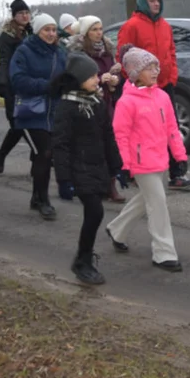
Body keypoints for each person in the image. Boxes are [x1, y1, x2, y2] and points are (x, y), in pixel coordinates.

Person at [104, 47, 188, 272]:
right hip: (141, 163)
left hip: (160, 159)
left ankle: (117, 229)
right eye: (148, 68)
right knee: (158, 203)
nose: (154, 72)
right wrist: (124, 164)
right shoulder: (127, 102)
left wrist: (179, 156)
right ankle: (164, 253)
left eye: (155, 67)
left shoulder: (162, 96)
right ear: (134, 73)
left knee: (147, 199)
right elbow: (120, 135)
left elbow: (172, 128)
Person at [115, 0, 190, 190]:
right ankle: (138, 169)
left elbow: (171, 52)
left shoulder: (165, 26)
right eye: (152, 0)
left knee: (171, 128)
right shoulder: (131, 26)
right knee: (143, 131)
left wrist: (172, 76)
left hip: (164, 85)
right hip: (142, 88)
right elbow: (123, 56)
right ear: (143, 3)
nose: (156, 3)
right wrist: (134, 80)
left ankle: (177, 173)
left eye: (158, 0)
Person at [52, 53, 123, 284]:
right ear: (78, 78)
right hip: (78, 168)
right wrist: (64, 179)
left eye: (96, 74)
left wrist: (117, 166)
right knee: (95, 212)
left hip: (97, 166)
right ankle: (82, 261)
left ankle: (84, 258)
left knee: (95, 212)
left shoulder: (97, 102)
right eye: (91, 76)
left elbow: (107, 136)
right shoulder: (67, 106)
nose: (97, 79)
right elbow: (60, 144)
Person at [10, 12, 67, 220]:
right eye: (46, 30)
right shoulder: (24, 51)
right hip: (31, 112)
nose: (51, 34)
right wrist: (46, 86)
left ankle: (36, 197)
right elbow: (17, 80)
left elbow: (66, 76)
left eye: (53, 29)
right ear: (37, 31)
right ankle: (44, 200)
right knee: (45, 153)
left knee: (42, 156)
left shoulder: (60, 53)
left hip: (54, 111)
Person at [65, 15, 125, 202]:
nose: (99, 33)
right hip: (87, 102)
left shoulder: (107, 50)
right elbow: (77, 79)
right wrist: (100, 79)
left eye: (100, 28)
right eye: (94, 29)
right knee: (91, 143)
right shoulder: (80, 53)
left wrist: (115, 81)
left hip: (106, 102)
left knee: (110, 141)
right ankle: (89, 183)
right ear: (85, 32)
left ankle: (111, 185)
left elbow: (114, 77)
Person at [0, 0, 34, 172]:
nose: (25, 16)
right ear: (14, 15)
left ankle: (37, 160)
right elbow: (4, 60)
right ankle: (2, 154)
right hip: (13, 83)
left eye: (27, 13)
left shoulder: (31, 33)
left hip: (30, 83)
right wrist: (3, 83)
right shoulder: (7, 36)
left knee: (35, 124)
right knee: (17, 125)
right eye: (21, 13)